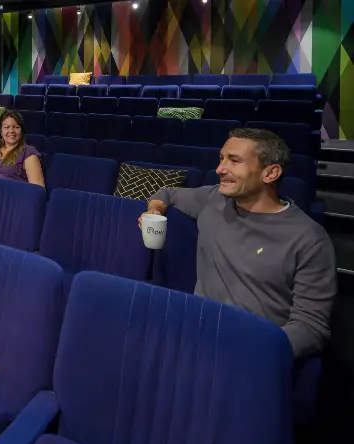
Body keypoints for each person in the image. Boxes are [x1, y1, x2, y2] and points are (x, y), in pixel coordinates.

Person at [139, 127, 337, 358]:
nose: (219, 169)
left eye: (234, 161)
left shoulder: (309, 239)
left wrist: (252, 350)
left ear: (270, 173)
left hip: (252, 352)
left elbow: (311, 328)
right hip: (196, 335)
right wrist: (155, 211)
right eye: (222, 159)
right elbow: (168, 193)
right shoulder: (214, 198)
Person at [0, 110, 45, 187]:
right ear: (1, 130)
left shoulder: (29, 152)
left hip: (10, 197)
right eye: (7, 127)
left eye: (16, 127)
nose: (11, 131)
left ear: (22, 131)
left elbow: (38, 190)